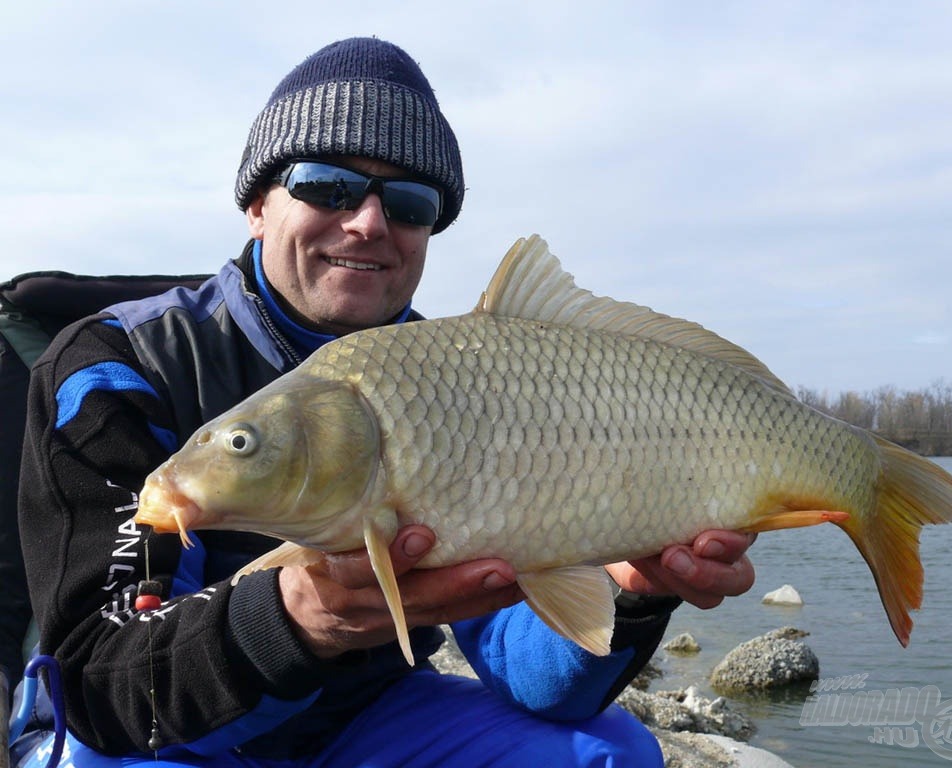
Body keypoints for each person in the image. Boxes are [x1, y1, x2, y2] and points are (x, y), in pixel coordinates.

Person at [16, 37, 756, 768]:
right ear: (256, 205)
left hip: (362, 722)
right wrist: (300, 619)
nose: (368, 221)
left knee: (608, 752)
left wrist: (629, 591)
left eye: (406, 200)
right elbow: (102, 675)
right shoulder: (116, 362)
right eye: (326, 184)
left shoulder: (470, 378)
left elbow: (531, 677)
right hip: (157, 741)